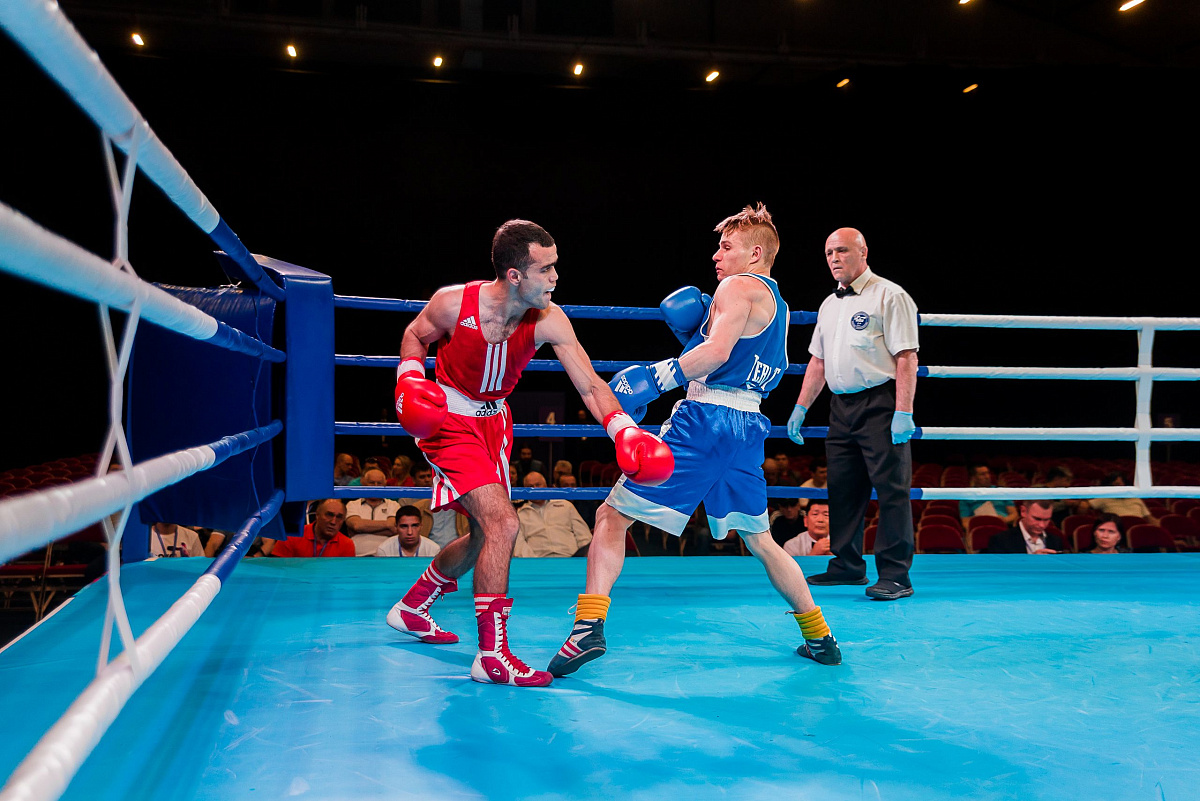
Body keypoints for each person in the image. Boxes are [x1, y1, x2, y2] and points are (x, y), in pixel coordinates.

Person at [548, 203, 842, 678]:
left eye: (726, 247)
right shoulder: (780, 306)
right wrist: (697, 338)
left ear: (755, 253)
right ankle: (821, 637)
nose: (716, 256)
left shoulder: (736, 286)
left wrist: (656, 378)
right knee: (762, 540)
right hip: (749, 426)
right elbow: (753, 360)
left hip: (706, 421)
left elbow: (718, 352)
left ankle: (587, 629)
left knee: (610, 516)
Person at [385, 219, 673, 688]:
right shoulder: (454, 303)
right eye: (546, 269)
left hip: (495, 423)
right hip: (447, 418)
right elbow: (416, 335)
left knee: (485, 535)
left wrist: (623, 429)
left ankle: (413, 606)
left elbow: (590, 384)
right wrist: (410, 377)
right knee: (505, 524)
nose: (556, 277)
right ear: (515, 275)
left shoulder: (549, 319)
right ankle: (492, 656)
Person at [788, 227, 919, 601]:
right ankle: (847, 564)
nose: (834, 258)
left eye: (842, 251)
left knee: (891, 489)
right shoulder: (830, 304)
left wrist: (903, 411)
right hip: (840, 407)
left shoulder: (890, 295)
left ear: (863, 252)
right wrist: (800, 407)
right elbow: (818, 361)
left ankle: (896, 575)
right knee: (842, 488)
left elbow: (906, 357)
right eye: (829, 253)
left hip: (880, 404)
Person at [513, 472, 592, 557]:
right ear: (524, 490)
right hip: (538, 560)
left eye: (538, 485)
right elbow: (519, 545)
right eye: (530, 486)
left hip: (570, 558)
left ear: (546, 486)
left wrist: (583, 558)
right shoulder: (519, 515)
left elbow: (584, 536)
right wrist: (534, 562)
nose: (534, 489)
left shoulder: (566, 505)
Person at [271, 499, 357, 557]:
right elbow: (277, 569)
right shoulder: (292, 537)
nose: (333, 522)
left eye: (339, 517)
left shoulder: (347, 544)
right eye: (329, 515)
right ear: (317, 515)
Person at [345, 468, 400, 556]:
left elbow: (394, 529)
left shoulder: (393, 505)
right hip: (357, 556)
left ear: (385, 484)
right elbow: (357, 525)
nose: (375, 486)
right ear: (363, 483)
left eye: (379, 483)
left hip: (385, 557)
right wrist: (387, 524)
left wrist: (362, 530)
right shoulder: (352, 504)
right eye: (371, 483)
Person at [984, 500, 1067, 554]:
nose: (1042, 525)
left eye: (1046, 520)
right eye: (1037, 519)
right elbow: (1000, 572)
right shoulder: (1000, 541)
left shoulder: (1056, 541)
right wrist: (1031, 562)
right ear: (1023, 511)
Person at [959, 463, 1017, 528]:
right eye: (982, 474)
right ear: (974, 478)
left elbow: (1014, 514)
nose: (987, 477)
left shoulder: (1001, 492)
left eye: (988, 473)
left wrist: (1004, 520)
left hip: (1003, 525)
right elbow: (965, 522)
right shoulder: (967, 497)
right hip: (981, 527)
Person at [1084, 473, 1158, 524]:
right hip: (1117, 531)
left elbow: (1148, 517)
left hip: (1138, 531)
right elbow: (1084, 505)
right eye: (1116, 484)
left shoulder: (1135, 498)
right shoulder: (1104, 498)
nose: (1119, 486)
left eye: (1121, 484)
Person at [375, 506, 442, 557]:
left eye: (414, 526)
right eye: (404, 526)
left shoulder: (433, 550)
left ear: (421, 526)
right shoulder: (384, 550)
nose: (410, 532)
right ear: (396, 526)